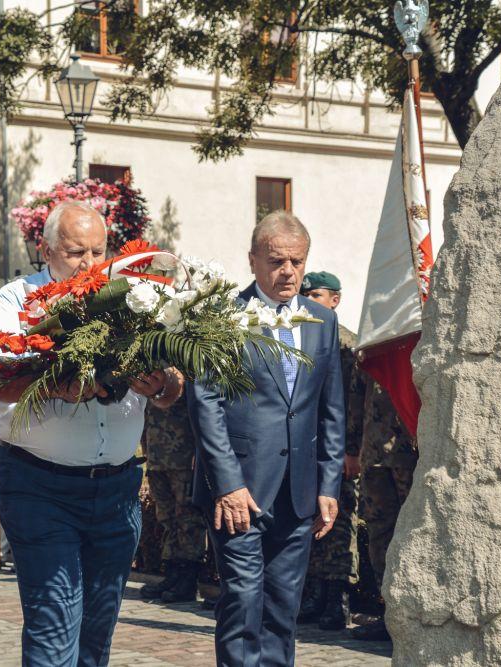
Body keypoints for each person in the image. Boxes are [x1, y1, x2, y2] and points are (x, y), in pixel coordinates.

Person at [0, 201, 184, 666]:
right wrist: (74, 386)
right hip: (39, 487)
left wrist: (162, 384)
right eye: (77, 252)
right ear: (46, 249)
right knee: (55, 622)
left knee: (97, 629)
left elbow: (174, 384)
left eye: (99, 251)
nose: (91, 264)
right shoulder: (19, 300)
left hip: (115, 490)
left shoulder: (138, 298)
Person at [188, 211, 345, 667]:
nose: (288, 272)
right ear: (253, 260)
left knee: (282, 606)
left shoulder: (322, 320)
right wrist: (227, 484)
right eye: (277, 261)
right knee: (242, 599)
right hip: (238, 491)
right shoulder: (220, 316)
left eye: (297, 262)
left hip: (298, 492)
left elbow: (331, 407)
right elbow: (206, 404)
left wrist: (328, 484)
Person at [297, 271, 366, 630]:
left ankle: (337, 597)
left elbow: (353, 401)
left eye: (317, 295)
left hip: (337, 448)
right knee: (312, 522)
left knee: (339, 525)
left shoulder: (347, 345)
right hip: (307, 447)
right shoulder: (302, 337)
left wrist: (350, 448)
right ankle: (315, 596)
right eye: (305, 294)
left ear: (335, 300)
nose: (308, 299)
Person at [350, 381, 416, 642]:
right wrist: (351, 447)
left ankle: (413, 615)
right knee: (379, 535)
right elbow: (356, 394)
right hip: (373, 451)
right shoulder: (372, 342)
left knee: (413, 534)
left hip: (409, 451)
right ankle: (388, 612)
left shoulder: (414, 340)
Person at [139, 399, 208, 603]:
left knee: (188, 520)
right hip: (156, 454)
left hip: (183, 456)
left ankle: (188, 579)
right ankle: (172, 574)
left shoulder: (187, 371)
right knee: (166, 517)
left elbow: (202, 410)